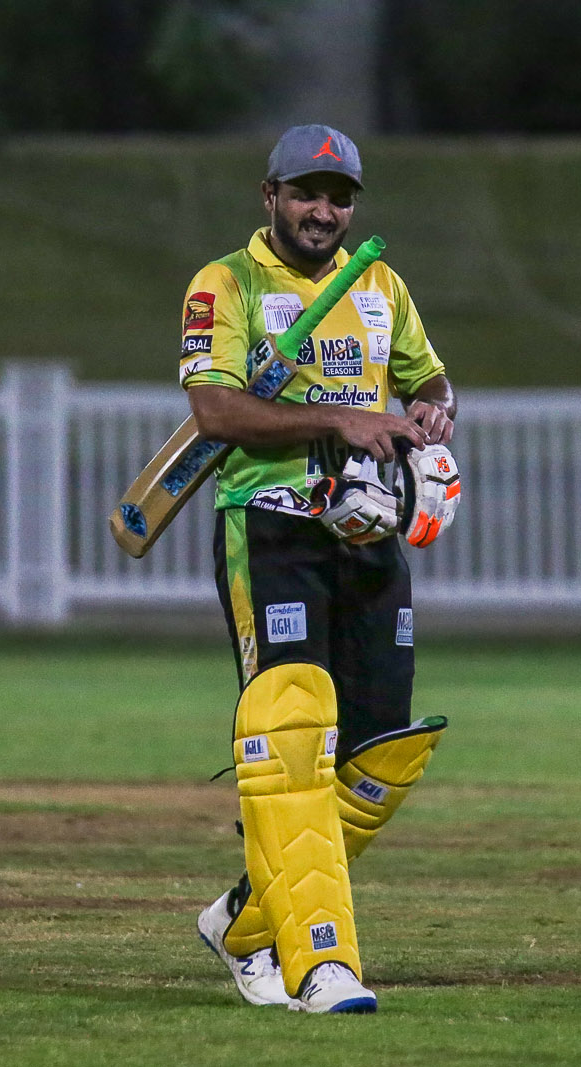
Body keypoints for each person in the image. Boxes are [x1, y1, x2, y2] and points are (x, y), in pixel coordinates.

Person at [182, 124, 455, 1013]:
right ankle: (321, 963)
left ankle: (245, 920)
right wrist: (340, 420)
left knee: (377, 758)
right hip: (270, 529)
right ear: (270, 195)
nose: (323, 211)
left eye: (339, 197)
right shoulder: (227, 283)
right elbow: (217, 412)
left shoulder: (382, 286)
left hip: (367, 534)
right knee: (294, 738)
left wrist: (431, 411)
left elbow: (430, 381)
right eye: (306, 192)